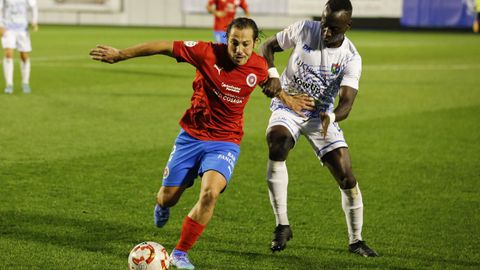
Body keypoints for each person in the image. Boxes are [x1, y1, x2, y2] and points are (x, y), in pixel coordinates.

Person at [90, 17, 309, 270]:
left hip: (225, 142)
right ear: (226, 40)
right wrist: (121, 54)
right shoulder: (205, 52)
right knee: (167, 198)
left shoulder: (259, 67)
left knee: (210, 193)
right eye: (234, 43)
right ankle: (162, 206)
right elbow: (163, 45)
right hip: (191, 137)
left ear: (254, 43)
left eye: (246, 44)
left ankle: (180, 253)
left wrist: (287, 98)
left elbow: (269, 83)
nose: (239, 50)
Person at [259, 0, 379, 257]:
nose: (326, 32)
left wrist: (332, 116)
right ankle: (282, 225)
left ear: (348, 25)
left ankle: (356, 241)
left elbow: (347, 104)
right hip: (288, 106)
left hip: (321, 116)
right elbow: (267, 45)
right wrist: (273, 75)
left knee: (346, 175)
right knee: (277, 142)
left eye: (334, 29)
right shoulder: (304, 29)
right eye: (324, 25)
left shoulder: (351, 58)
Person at [0, 0, 38, 94]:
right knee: (8, 53)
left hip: (22, 29)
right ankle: (9, 84)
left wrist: (34, 21)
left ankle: (25, 83)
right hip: (8, 28)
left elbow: (34, 6)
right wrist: (0, 25)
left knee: (24, 56)